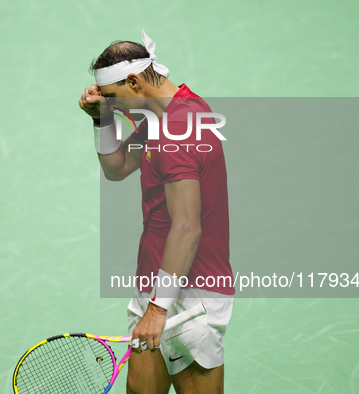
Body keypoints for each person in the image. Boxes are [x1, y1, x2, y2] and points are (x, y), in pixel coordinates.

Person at [79, 30, 235, 394]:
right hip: (157, 278)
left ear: (134, 81)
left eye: (114, 97)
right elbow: (117, 168)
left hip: (190, 292)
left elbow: (187, 228)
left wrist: (159, 309)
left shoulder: (177, 133)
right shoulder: (167, 113)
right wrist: (101, 119)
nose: (114, 106)